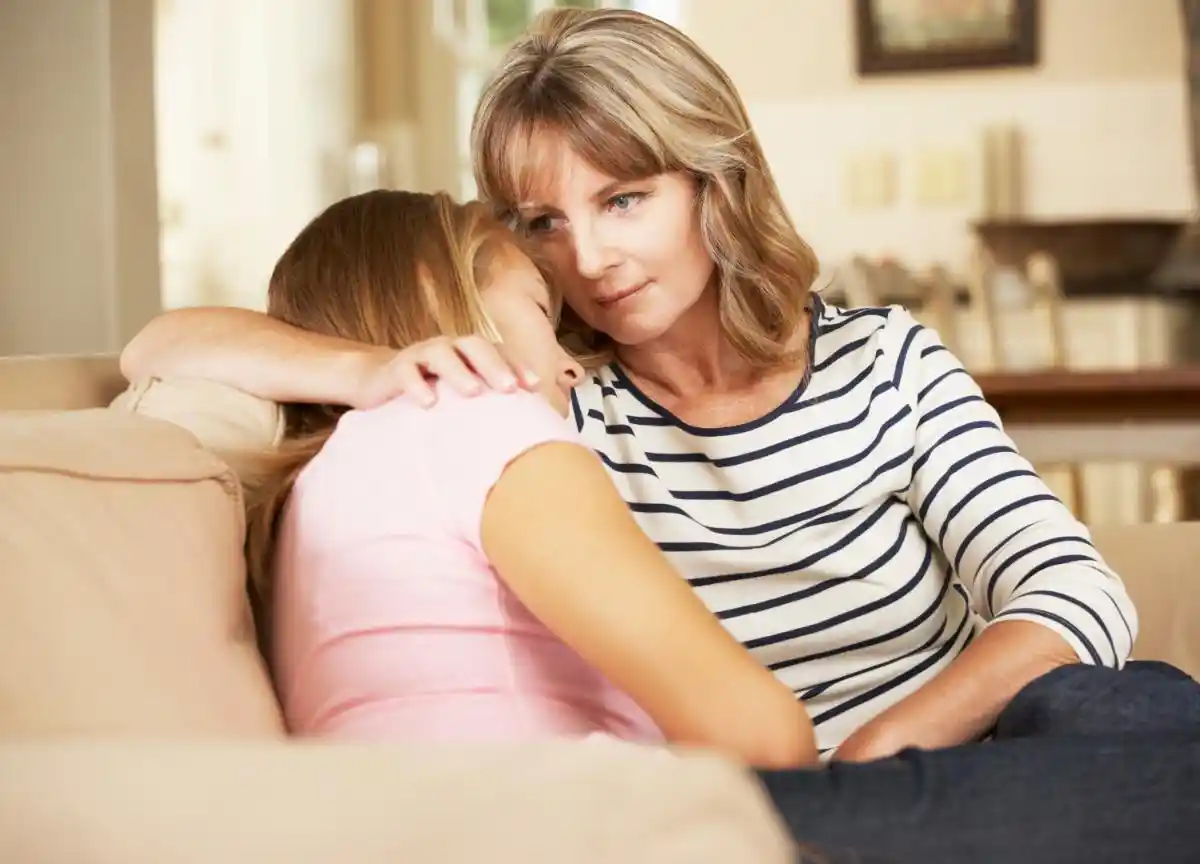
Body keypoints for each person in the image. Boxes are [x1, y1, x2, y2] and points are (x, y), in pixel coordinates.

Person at [122, 9, 1200, 860]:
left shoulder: (886, 362)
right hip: (761, 805)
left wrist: (885, 750)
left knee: (1130, 700)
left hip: (956, 766)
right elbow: (167, 340)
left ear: (712, 183)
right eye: (543, 223)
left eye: (625, 200)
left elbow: (1074, 592)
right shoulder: (547, 405)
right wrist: (359, 369)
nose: (588, 259)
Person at [252, 188, 817, 768]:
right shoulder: (481, 419)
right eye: (542, 314)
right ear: (434, 287)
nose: (572, 368)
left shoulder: (319, 484)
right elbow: (764, 738)